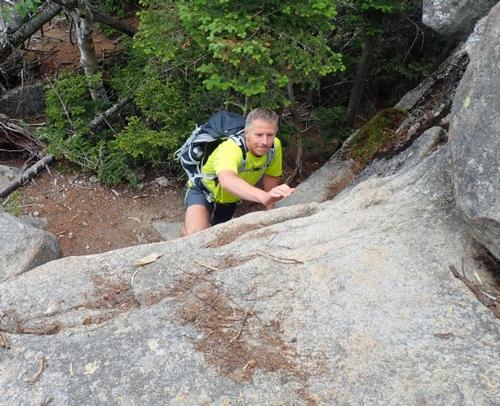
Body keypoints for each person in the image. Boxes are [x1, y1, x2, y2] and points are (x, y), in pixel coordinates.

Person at [181, 108, 295, 236]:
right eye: (258, 135)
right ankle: (184, 232)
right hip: (203, 191)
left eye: (270, 135)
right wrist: (264, 197)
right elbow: (227, 179)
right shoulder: (231, 148)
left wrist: (271, 211)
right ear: (247, 133)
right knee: (194, 233)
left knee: (218, 236)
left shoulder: (274, 146)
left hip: (230, 199)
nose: (264, 141)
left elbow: (271, 175)